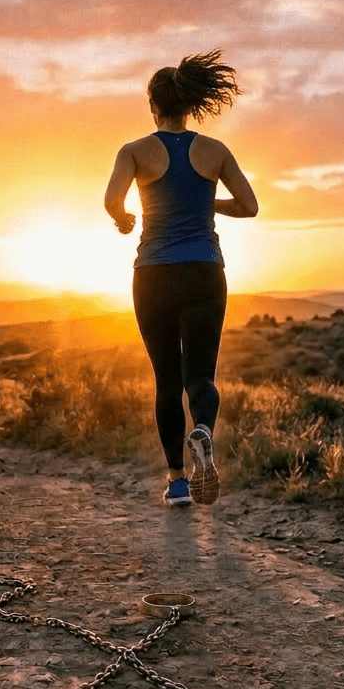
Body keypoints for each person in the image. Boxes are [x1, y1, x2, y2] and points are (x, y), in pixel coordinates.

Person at [104, 50, 259, 507]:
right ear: (191, 104)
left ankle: (176, 483)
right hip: (204, 271)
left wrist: (124, 218)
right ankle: (204, 431)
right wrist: (206, 204)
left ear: (153, 105)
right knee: (201, 376)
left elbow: (112, 201)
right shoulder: (214, 151)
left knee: (166, 381)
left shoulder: (134, 151)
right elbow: (250, 206)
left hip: (153, 274)